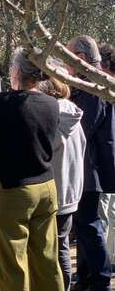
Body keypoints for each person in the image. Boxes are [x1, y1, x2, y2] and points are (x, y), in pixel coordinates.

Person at [0, 47, 64, 291]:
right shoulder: (52, 104)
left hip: (16, 189)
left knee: (13, 260)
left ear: (17, 71)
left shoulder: (3, 102)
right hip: (46, 186)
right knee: (47, 257)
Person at [66, 36, 115, 291]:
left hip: (90, 169)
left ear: (81, 58)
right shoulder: (88, 83)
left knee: (89, 224)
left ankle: (101, 278)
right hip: (85, 167)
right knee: (83, 226)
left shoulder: (94, 86)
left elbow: (84, 125)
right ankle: (86, 276)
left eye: (69, 55)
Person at [38, 77, 86, 291]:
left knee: (53, 249)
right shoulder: (74, 112)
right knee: (63, 246)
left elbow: (44, 149)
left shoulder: (52, 115)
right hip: (71, 190)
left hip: (52, 188)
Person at [98, 44, 115, 268]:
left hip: (106, 163)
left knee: (104, 214)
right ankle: (109, 261)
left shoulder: (105, 92)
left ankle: (102, 265)